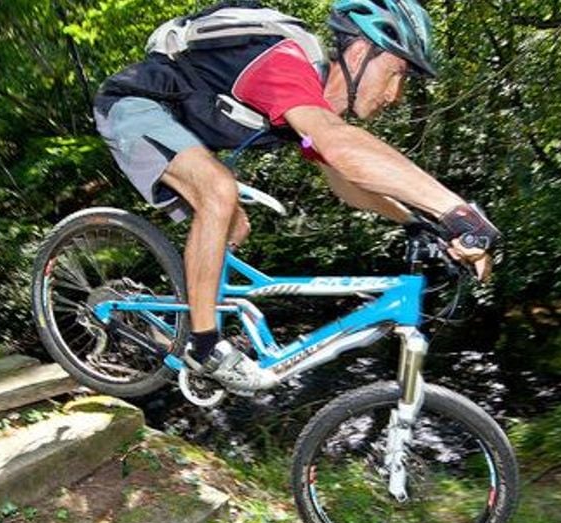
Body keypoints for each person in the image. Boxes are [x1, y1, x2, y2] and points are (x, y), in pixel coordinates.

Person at [93, 0, 500, 393]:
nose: (395, 95)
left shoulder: (306, 111)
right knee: (219, 190)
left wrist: (415, 221)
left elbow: (345, 181)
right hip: (135, 106)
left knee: (233, 222)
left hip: (183, 128)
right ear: (360, 52)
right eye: (397, 72)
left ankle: (180, 320)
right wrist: (457, 213)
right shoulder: (284, 62)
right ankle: (204, 345)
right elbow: (340, 145)